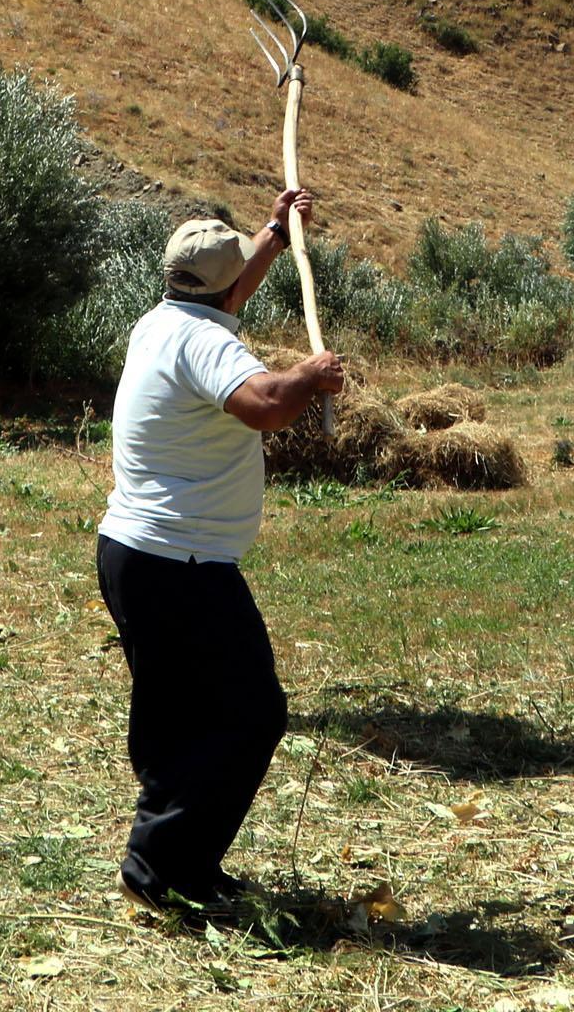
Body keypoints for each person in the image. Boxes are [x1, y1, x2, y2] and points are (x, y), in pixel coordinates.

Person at [94, 189, 344, 919]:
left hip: (136, 553)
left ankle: (178, 866)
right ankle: (160, 867)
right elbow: (265, 404)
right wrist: (311, 376)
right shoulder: (209, 345)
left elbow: (229, 287)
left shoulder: (161, 321)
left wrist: (275, 229)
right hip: (182, 565)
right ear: (220, 287)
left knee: (181, 716)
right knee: (247, 715)